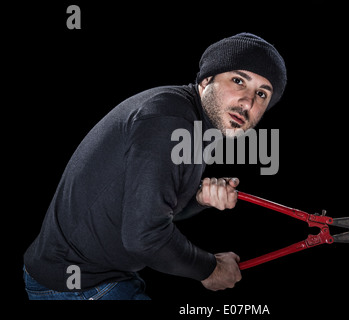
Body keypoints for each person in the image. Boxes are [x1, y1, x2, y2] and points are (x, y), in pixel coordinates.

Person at [23, 33, 287, 300]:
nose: (247, 103)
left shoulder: (192, 123)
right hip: (76, 285)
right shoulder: (168, 120)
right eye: (238, 81)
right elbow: (144, 236)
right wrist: (210, 269)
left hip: (102, 274)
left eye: (261, 94)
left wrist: (198, 198)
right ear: (207, 80)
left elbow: (150, 207)